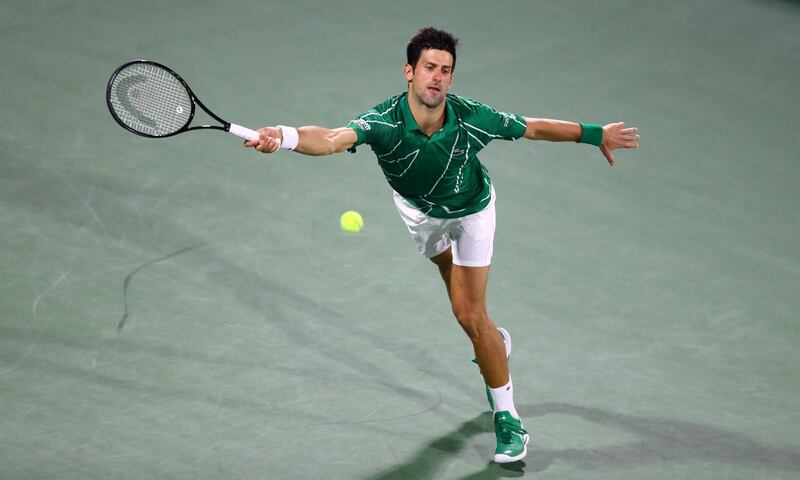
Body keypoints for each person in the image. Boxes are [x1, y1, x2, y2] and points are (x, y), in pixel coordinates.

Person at [244, 27, 639, 463]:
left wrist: (594, 132)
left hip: (472, 210)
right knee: (459, 297)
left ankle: (508, 419)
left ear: (451, 79)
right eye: (429, 67)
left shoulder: (472, 117)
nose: (437, 77)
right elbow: (333, 139)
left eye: (446, 71)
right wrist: (285, 135)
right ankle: (492, 341)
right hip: (419, 214)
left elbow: (534, 128)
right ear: (409, 72)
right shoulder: (384, 123)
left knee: (470, 314)